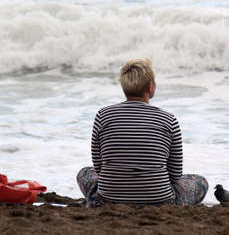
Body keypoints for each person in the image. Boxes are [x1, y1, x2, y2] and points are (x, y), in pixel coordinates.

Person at [76, 58, 208, 207]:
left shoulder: (103, 115)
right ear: (150, 86)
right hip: (160, 200)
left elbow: (99, 167)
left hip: (109, 198)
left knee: (85, 173)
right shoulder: (169, 120)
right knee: (199, 182)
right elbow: (175, 174)